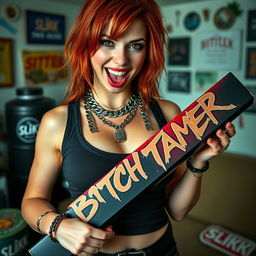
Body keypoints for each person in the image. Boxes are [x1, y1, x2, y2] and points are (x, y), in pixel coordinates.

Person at [21, 0, 236, 255]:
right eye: (107, 42)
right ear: (86, 43)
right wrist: (57, 226)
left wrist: (198, 161)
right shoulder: (57, 122)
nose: (121, 59)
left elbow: (178, 211)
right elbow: (31, 202)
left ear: (148, 52)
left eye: (135, 45)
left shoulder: (167, 113)